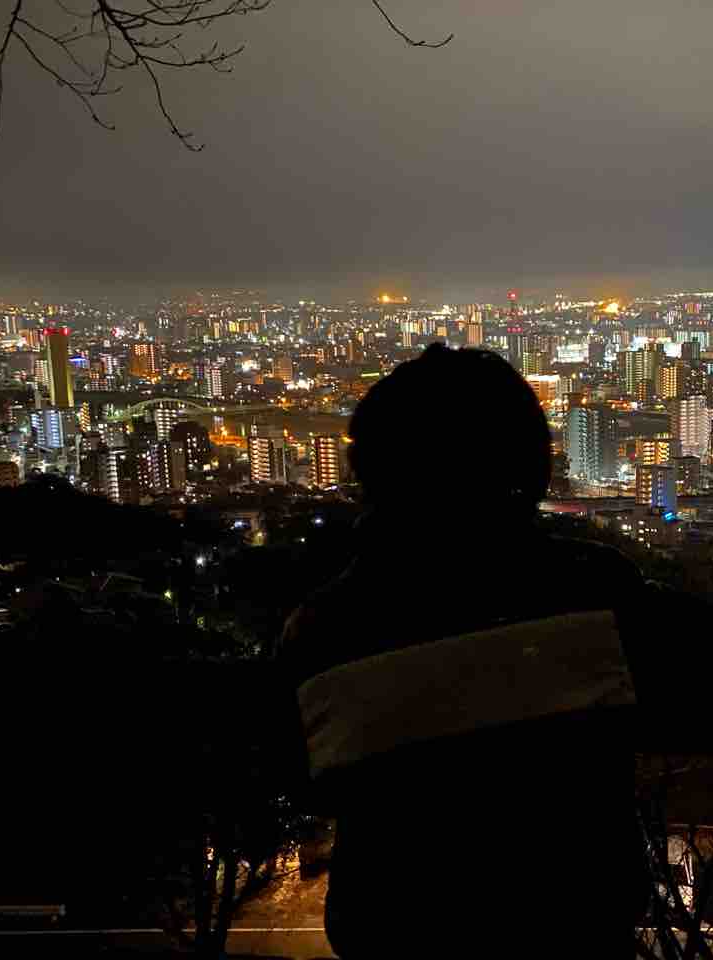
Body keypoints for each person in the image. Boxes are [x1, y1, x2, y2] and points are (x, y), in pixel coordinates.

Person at [276, 345, 647, 958]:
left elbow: (306, 784)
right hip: (568, 931)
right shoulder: (595, 596)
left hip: (394, 933)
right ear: (530, 471)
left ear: (370, 476)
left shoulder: (323, 629)